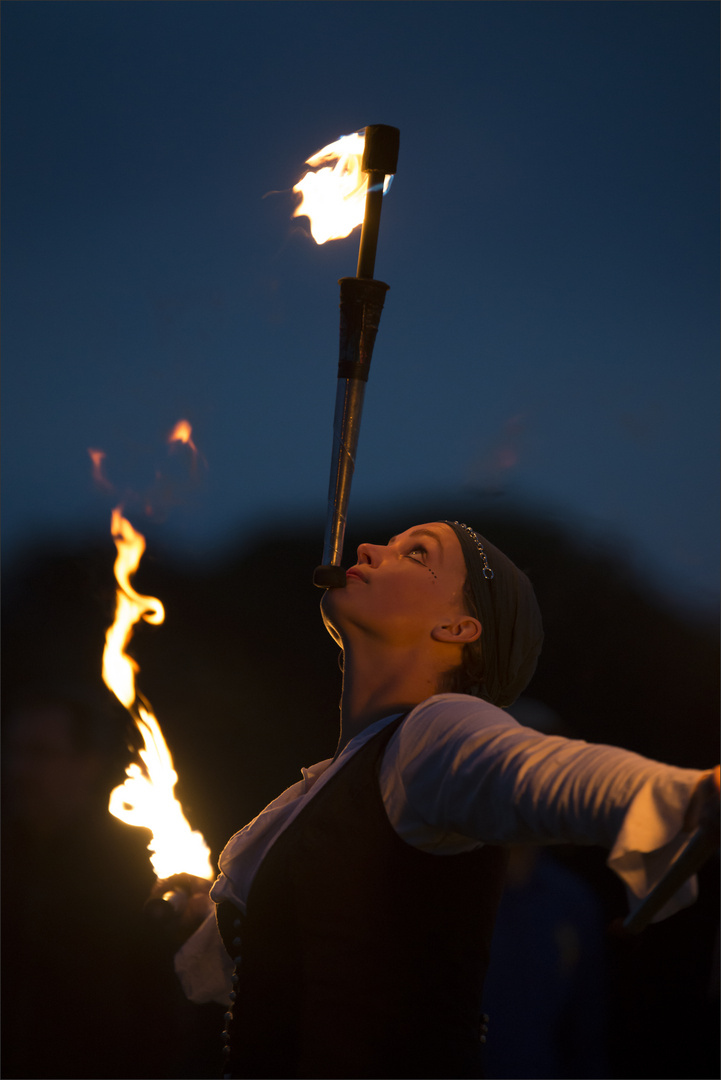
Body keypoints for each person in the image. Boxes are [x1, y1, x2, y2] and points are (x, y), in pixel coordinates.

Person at [162, 520, 719, 1080]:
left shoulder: (438, 726)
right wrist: (207, 912)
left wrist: (685, 795)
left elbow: (537, 771)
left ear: (458, 627)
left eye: (418, 553)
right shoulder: (342, 775)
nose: (368, 548)